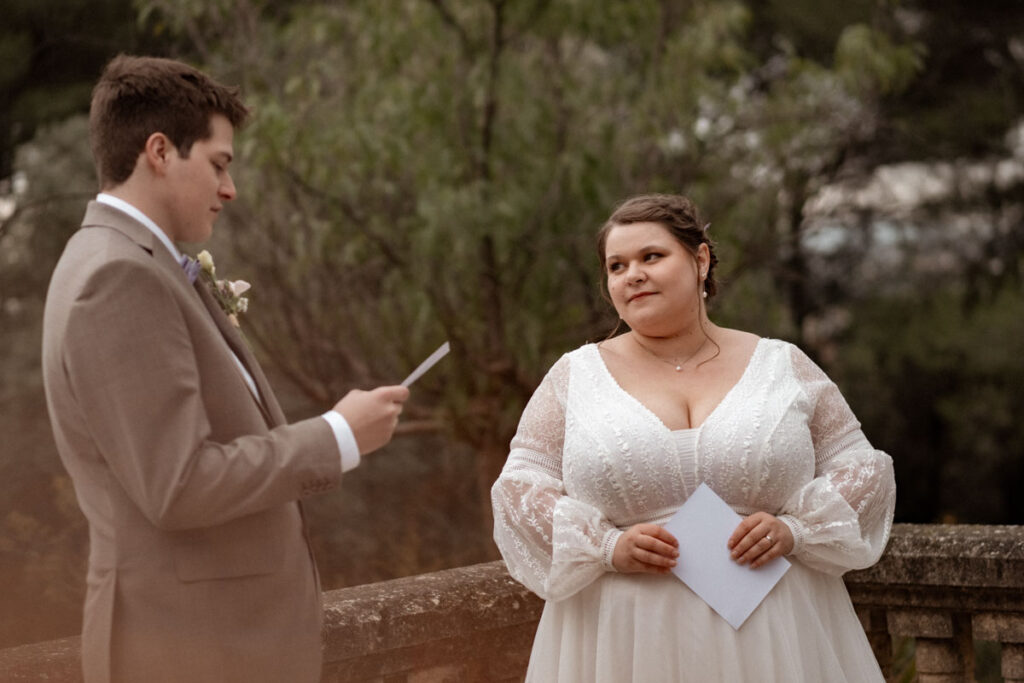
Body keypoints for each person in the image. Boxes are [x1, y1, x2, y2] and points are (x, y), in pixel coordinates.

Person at [41, 55, 410, 683]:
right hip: (189, 648)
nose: (229, 189)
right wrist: (337, 437)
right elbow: (178, 485)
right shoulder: (117, 276)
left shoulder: (132, 260)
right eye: (218, 164)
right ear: (159, 151)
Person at [491, 193, 896, 682]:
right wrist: (604, 546)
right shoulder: (575, 375)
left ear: (700, 259)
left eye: (651, 257)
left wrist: (795, 530)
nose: (631, 275)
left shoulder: (782, 364)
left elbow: (862, 469)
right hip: (626, 637)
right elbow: (518, 488)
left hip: (774, 630)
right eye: (616, 266)